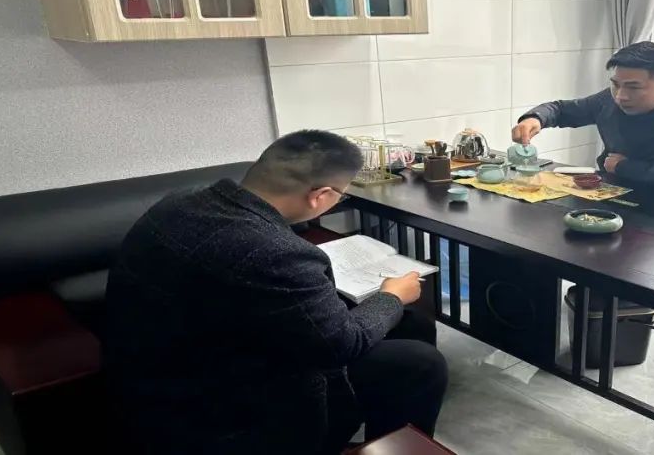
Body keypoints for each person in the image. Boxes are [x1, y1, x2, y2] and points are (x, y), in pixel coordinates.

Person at [104, 130, 447, 455]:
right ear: (320, 196)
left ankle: (381, 432)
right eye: (340, 196)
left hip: (163, 360)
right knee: (420, 363)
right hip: (217, 402)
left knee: (411, 323)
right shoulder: (275, 253)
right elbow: (342, 345)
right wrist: (391, 296)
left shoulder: (181, 202)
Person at [512, 41, 654, 193]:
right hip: (615, 193)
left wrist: (623, 167)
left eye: (633, 87)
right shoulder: (613, 98)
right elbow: (562, 110)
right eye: (616, 85)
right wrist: (535, 118)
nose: (620, 96)